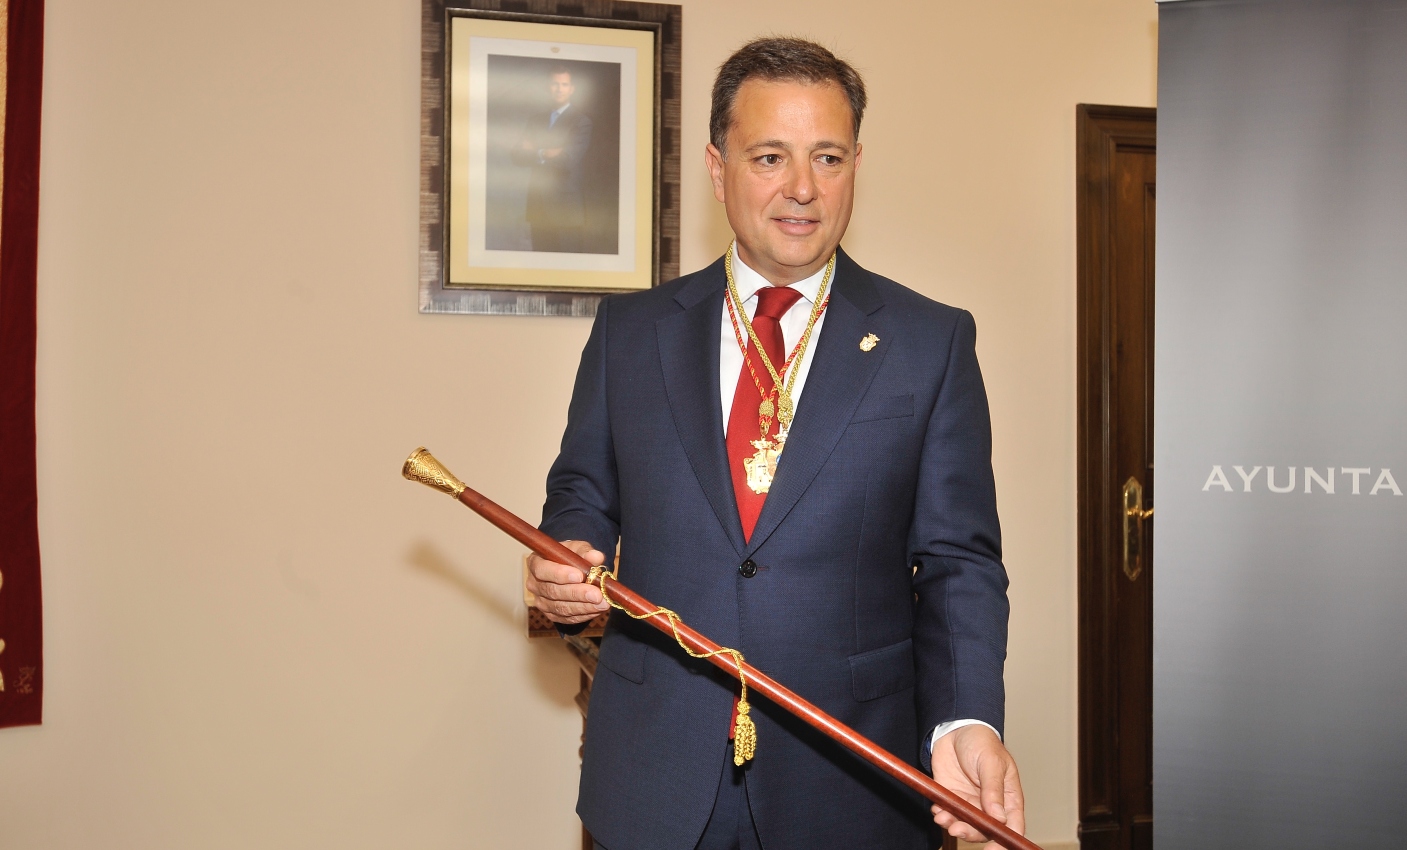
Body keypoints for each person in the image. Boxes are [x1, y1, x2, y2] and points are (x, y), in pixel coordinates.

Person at [527, 37, 1024, 850]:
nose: (802, 189)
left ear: (856, 162)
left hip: (854, 780)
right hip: (653, 767)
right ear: (719, 168)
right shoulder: (631, 332)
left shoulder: (928, 342)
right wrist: (564, 558)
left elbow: (959, 563)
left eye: (828, 157)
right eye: (770, 157)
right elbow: (581, 495)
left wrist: (965, 717)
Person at [510, 66, 593, 253]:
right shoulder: (535, 120)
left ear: (572, 89)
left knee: (567, 270)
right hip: (537, 207)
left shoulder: (581, 121)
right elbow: (516, 155)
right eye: (555, 84)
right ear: (548, 87)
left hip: (566, 210)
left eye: (564, 84)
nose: (559, 89)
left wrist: (535, 151)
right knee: (540, 268)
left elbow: (568, 159)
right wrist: (547, 152)